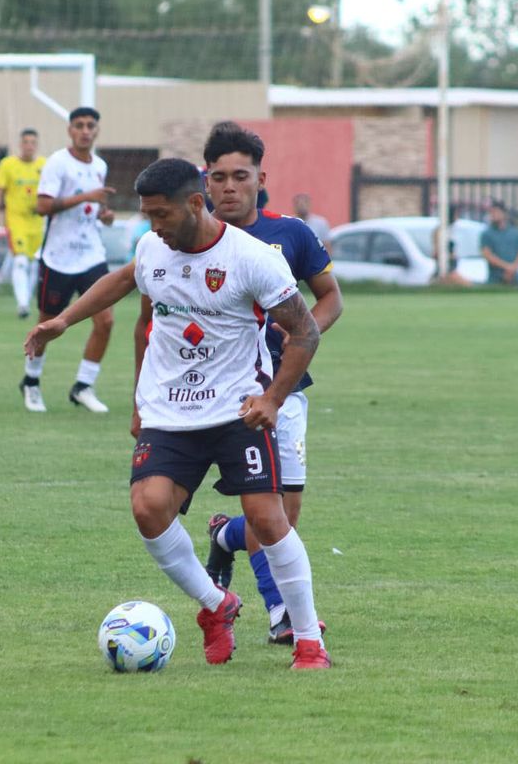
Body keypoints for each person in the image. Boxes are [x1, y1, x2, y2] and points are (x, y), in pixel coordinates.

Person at [25, 157, 331, 669]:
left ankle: (308, 642)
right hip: (170, 412)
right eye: (147, 215)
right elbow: (124, 279)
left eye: (161, 214)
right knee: (148, 507)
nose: (153, 227)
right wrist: (62, 321)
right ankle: (217, 606)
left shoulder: (253, 259)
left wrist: (273, 399)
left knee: (267, 519)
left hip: (238, 410)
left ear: (195, 204)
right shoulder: (152, 248)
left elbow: (306, 331)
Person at [195, 122, 342, 645]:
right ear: (205, 182)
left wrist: (303, 329)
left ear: (261, 179)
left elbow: (330, 298)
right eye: (219, 177)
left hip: (283, 390)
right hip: (212, 395)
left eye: (242, 175)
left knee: (284, 513)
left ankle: (224, 535)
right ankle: (281, 611)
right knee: (268, 507)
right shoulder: (189, 239)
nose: (230, 186)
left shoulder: (291, 235)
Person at [19, 106, 116, 414]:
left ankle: (83, 386)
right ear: (70, 131)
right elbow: (43, 206)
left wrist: (105, 215)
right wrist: (85, 197)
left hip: (91, 255)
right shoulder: (57, 163)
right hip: (58, 259)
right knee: (47, 324)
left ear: (97, 130)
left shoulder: (99, 166)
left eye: (90, 125)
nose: (85, 130)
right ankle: (31, 382)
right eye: (79, 125)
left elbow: (95, 209)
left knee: (106, 320)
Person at [0, 128, 45, 318]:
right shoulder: (8, 165)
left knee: (35, 265)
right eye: (26, 142)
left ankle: (26, 301)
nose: (29, 146)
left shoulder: (44, 165)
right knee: (20, 261)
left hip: (38, 222)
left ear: (37, 146)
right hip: (16, 221)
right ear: (20, 144)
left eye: (33, 142)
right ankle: (22, 304)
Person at [480, 199, 518, 285]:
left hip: (514, 277)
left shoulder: (515, 233)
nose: (493, 215)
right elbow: (488, 255)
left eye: (496, 212)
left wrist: (513, 268)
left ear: (504, 214)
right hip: (495, 278)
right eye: (491, 213)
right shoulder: (487, 234)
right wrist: (507, 267)